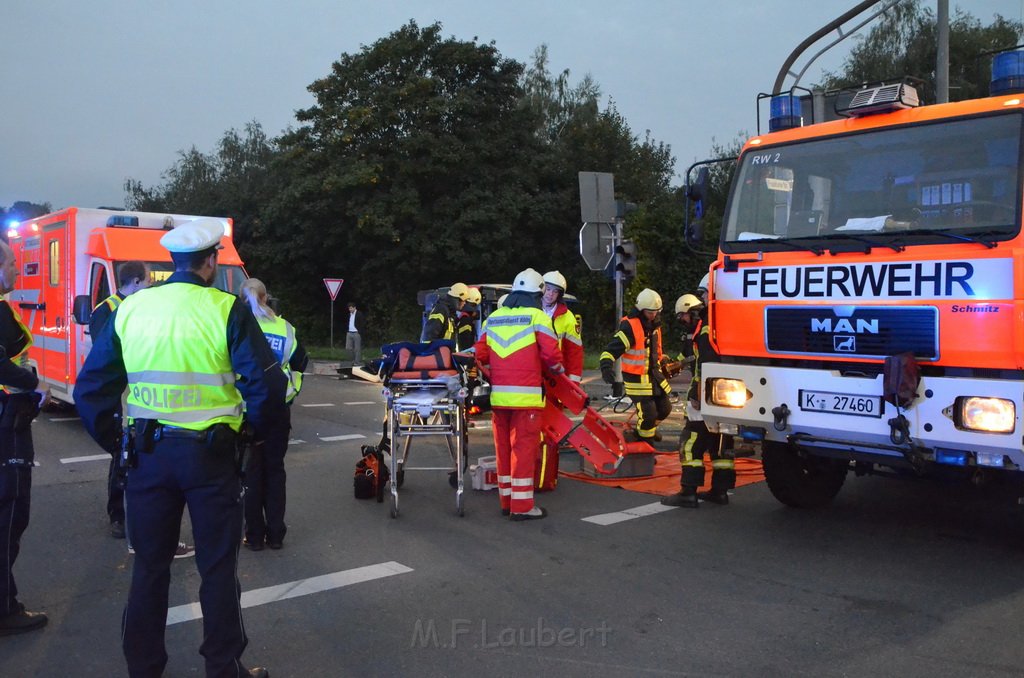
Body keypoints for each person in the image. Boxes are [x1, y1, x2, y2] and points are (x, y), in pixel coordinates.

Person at [74, 218, 286, 678]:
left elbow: (90, 391)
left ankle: (144, 668)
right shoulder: (226, 309)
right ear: (211, 261)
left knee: (149, 568)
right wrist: (250, 435)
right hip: (211, 458)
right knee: (216, 568)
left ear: (172, 262)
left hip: (148, 457)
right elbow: (268, 389)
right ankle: (223, 667)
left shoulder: (131, 309)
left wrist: (120, 443)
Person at [473, 269, 564, 521]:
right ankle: (522, 507)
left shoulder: (494, 317)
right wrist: (558, 371)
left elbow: (479, 354)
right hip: (527, 400)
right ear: (538, 293)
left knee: (503, 450)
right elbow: (552, 358)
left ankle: (506, 502)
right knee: (523, 452)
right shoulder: (537, 317)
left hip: (499, 399)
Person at [0, 240, 51, 637]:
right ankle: (4, 609)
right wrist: (31, 382)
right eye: (13, 264)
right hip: (7, 425)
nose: (18, 271)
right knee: (10, 516)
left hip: (11, 417)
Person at [239, 279, 308, 551]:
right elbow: (300, 364)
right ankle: (276, 534)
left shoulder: (237, 327)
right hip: (278, 410)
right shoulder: (285, 328)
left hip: (246, 412)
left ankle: (254, 536)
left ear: (242, 300)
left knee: (251, 474)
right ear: (266, 298)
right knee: (275, 470)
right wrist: (288, 394)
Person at [91, 260, 150, 542]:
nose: (150, 285)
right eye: (148, 280)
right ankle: (118, 514)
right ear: (136, 282)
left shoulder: (142, 307)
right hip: (120, 393)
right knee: (122, 454)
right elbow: (106, 357)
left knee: (140, 455)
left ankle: (136, 510)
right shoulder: (107, 310)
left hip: (141, 392)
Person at [661, 293, 735, 508]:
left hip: (707, 394)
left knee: (691, 440)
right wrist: (679, 364)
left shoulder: (704, 330)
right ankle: (720, 491)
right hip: (729, 394)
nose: (682, 322)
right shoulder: (720, 324)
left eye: (683, 316)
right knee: (721, 442)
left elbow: (705, 363)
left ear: (691, 311)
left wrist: (696, 392)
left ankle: (688, 492)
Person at [599, 288, 672, 442]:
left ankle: (647, 430)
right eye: (650, 312)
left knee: (665, 409)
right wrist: (606, 366)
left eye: (656, 312)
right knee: (649, 413)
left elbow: (656, 351)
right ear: (641, 310)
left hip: (653, 376)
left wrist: (664, 361)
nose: (653, 315)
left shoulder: (655, 326)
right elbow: (612, 349)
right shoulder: (630, 326)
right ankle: (643, 441)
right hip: (636, 379)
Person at [456, 286, 482, 351]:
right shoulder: (466, 320)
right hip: (466, 355)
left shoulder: (464, 317)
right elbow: (466, 342)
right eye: (475, 305)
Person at [345, 301, 363, 366]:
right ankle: (353, 360)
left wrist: (360, 331)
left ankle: (357, 362)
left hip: (356, 333)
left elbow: (362, 323)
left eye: (351, 308)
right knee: (348, 348)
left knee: (357, 349)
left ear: (354, 308)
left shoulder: (359, 314)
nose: (350, 310)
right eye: (349, 308)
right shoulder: (349, 314)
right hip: (349, 333)